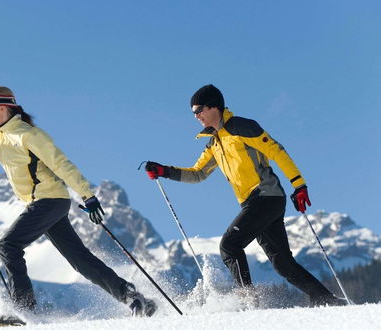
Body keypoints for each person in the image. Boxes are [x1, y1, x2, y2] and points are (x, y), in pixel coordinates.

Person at [0, 86, 157, 317]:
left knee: (8, 245)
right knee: (80, 260)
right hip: (44, 203)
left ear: (3, 108)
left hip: (49, 199)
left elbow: (61, 164)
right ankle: (134, 299)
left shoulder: (28, 135)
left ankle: (24, 312)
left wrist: (88, 195)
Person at [144, 84, 344, 306]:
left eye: (199, 110)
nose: (196, 116)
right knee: (283, 264)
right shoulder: (214, 144)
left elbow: (276, 151)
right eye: (193, 112)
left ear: (214, 107)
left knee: (229, 245)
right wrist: (165, 171)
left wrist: (299, 185)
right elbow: (198, 173)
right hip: (253, 203)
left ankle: (249, 303)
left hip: (266, 196)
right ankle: (326, 299)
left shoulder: (242, 127)